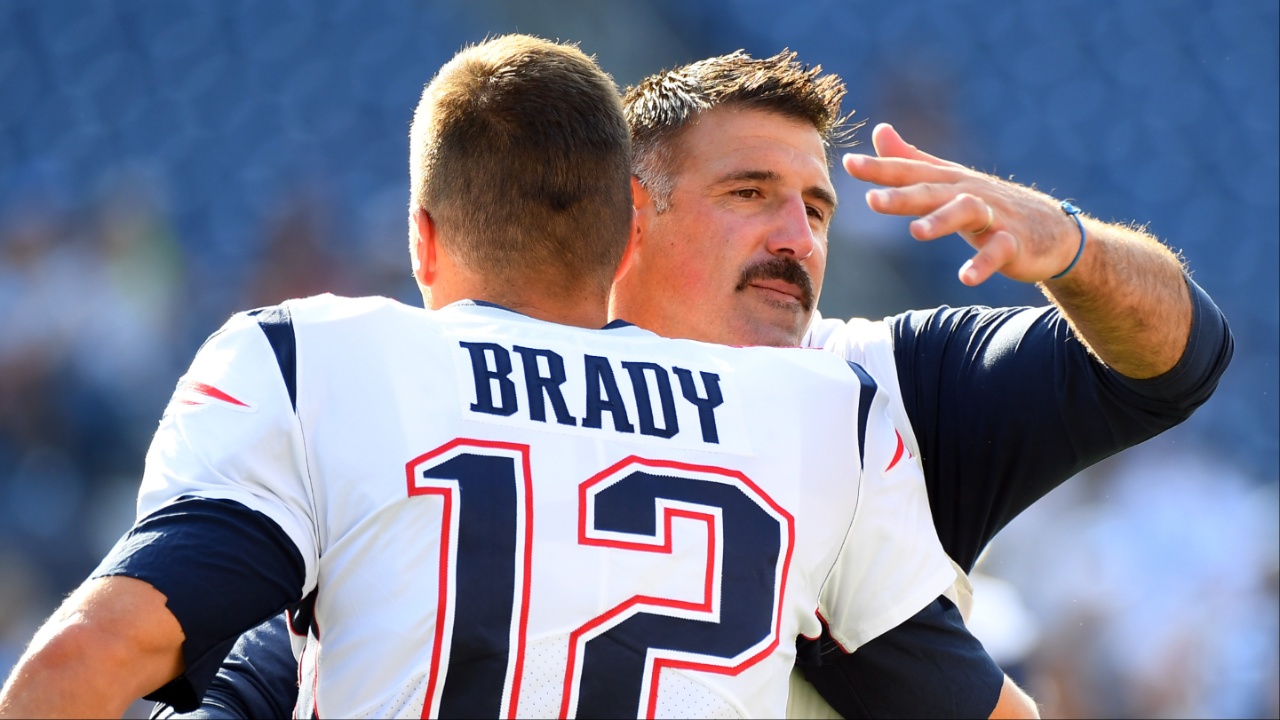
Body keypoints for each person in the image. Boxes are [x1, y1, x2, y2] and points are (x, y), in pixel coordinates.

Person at [151, 48, 1231, 720]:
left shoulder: (880, 379)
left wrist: (1073, 250)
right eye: (748, 192)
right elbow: (308, 657)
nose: (791, 236)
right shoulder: (461, 390)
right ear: (626, 213)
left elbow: (1175, 359)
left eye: (814, 207)